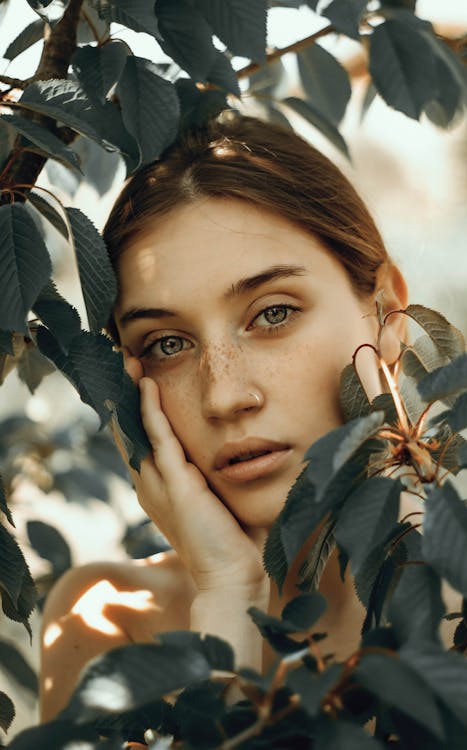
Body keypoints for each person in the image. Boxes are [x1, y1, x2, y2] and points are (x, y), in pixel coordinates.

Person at [39, 113, 412, 723]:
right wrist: (226, 597)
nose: (224, 396)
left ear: (387, 315)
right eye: (166, 344)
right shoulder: (105, 622)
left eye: (273, 314)